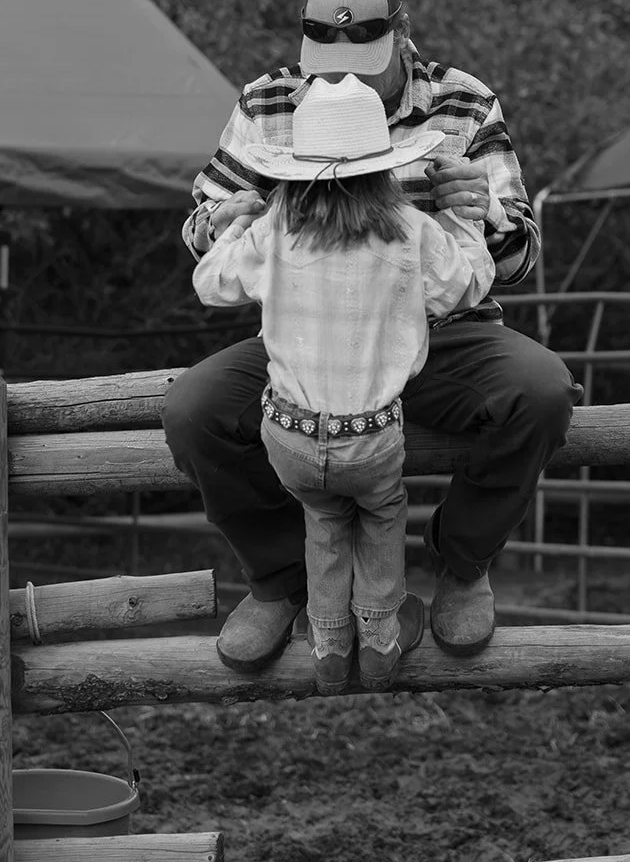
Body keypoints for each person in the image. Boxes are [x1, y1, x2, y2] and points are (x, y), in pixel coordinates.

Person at [164, 0, 583, 675]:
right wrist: (228, 216)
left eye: (364, 60)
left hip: (446, 338)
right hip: (310, 334)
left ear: (403, 33)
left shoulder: (464, 102)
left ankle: (461, 564)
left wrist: (479, 212)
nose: (345, 78)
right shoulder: (267, 101)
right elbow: (198, 227)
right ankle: (277, 582)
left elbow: (517, 259)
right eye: (329, 63)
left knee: (539, 391)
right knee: (193, 409)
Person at [192, 73, 495, 692]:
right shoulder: (412, 232)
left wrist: (228, 224)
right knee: (381, 516)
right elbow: (467, 285)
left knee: (323, 520)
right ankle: (381, 638)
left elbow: (211, 284)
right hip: (373, 437)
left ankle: (329, 643)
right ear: (386, 168)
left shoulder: (274, 231)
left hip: (290, 435)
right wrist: (466, 224)